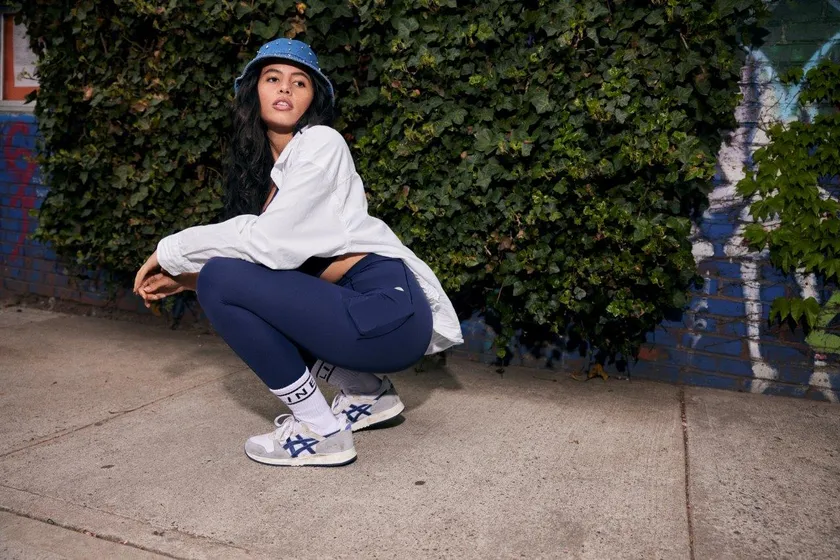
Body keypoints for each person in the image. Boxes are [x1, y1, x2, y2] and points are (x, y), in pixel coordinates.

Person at [133, 38, 463, 467]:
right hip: (375, 314)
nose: (285, 88)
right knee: (219, 281)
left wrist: (172, 251)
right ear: (254, 91)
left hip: (385, 310)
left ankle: (321, 430)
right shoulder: (278, 178)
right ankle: (368, 394)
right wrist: (186, 281)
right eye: (273, 78)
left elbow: (268, 245)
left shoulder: (321, 143)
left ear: (312, 100)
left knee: (218, 277)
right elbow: (288, 279)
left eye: (299, 82)